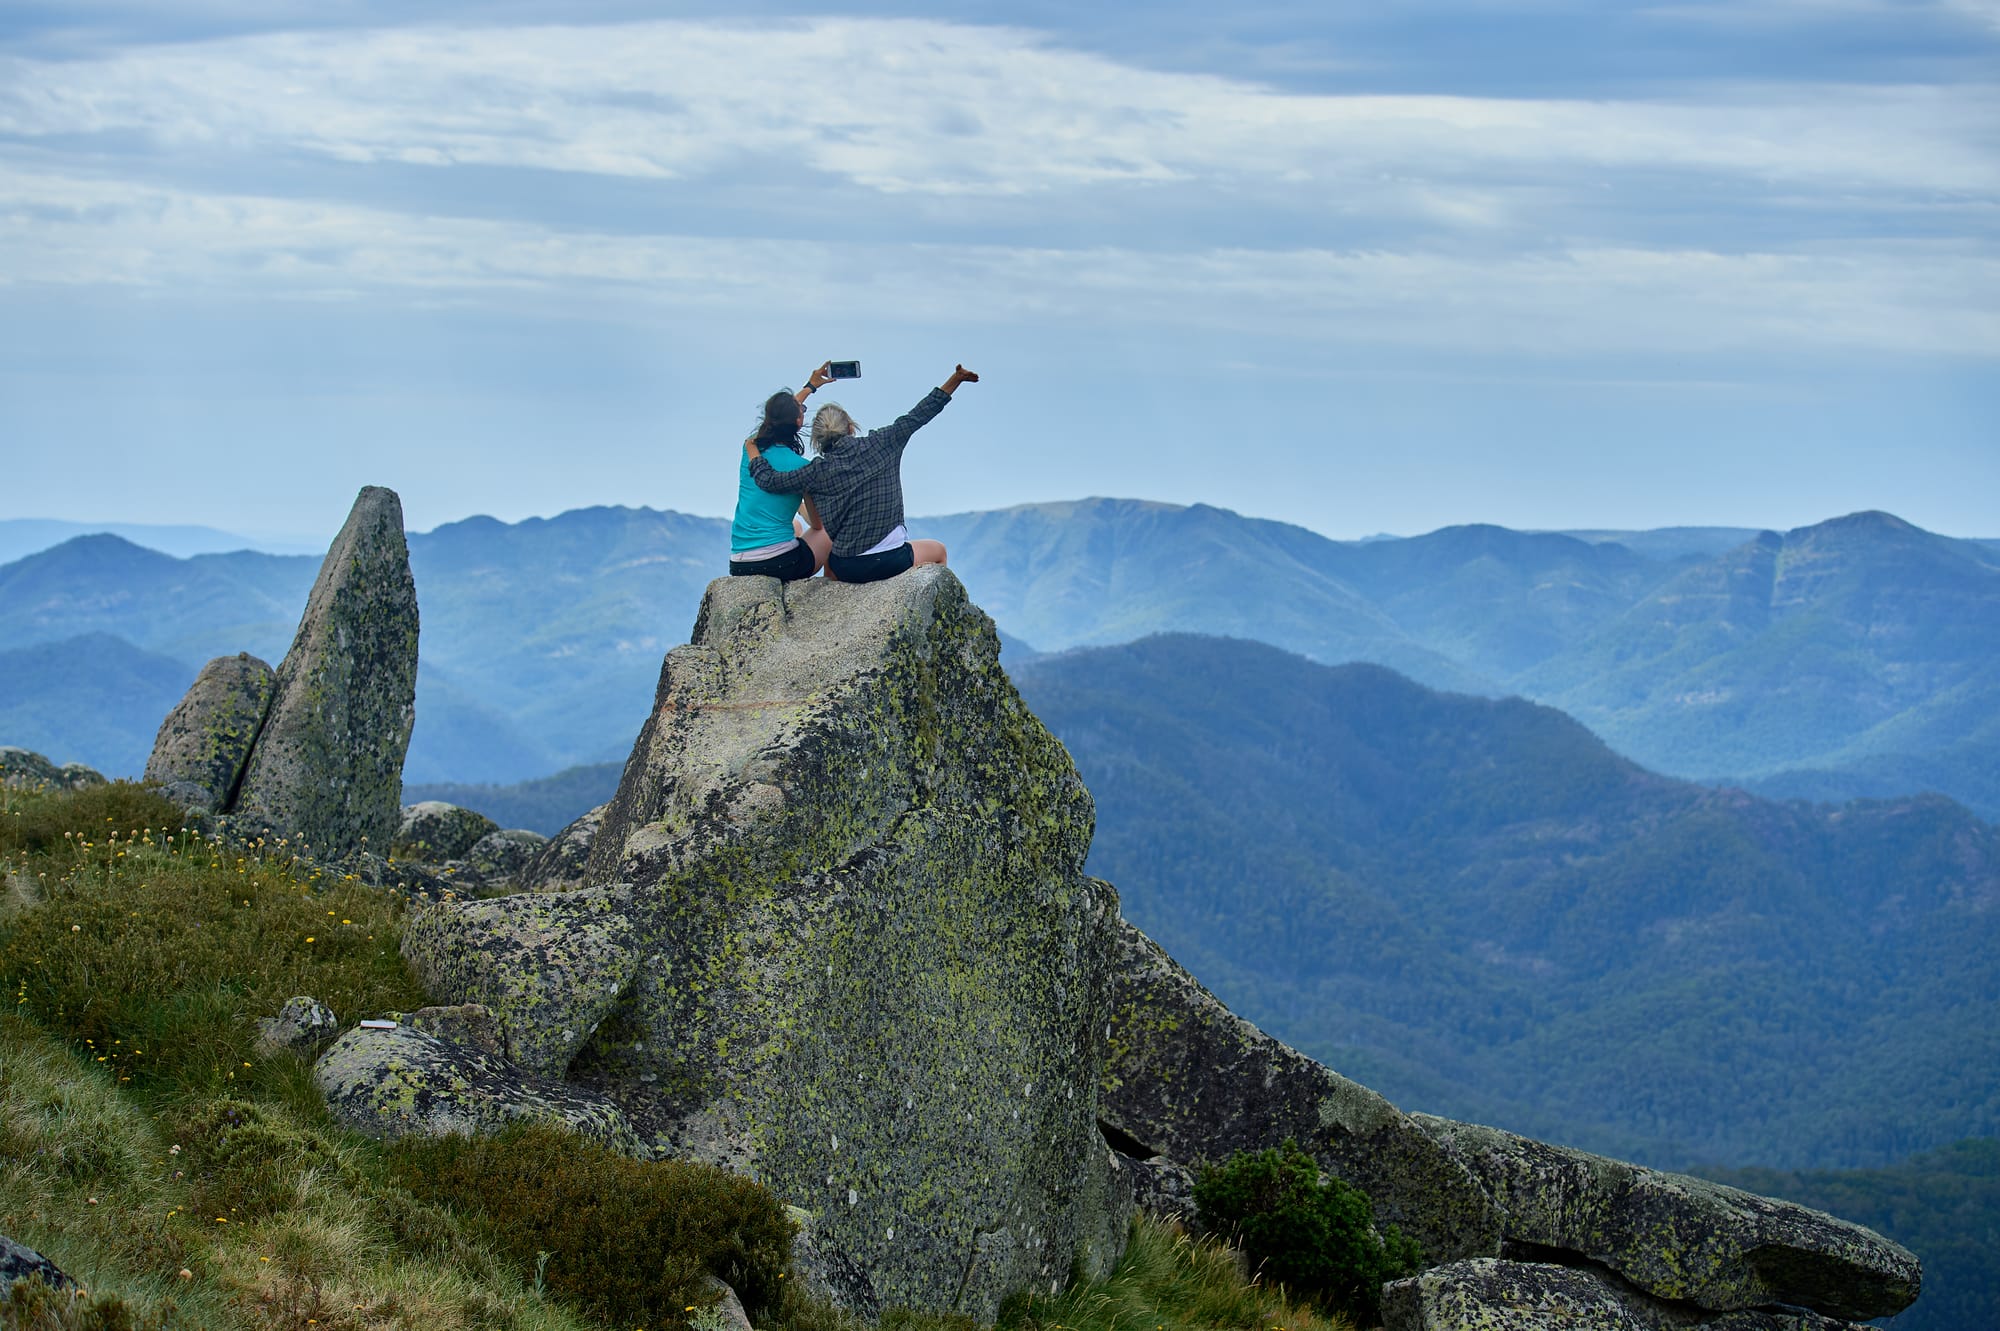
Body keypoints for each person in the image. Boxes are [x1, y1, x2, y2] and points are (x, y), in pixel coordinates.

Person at [744, 364, 978, 583]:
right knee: (939, 551)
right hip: (891, 561)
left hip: (846, 566)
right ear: (851, 428)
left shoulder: (815, 471)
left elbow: (769, 481)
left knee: (830, 550)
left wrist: (753, 451)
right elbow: (920, 414)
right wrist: (955, 380)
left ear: (817, 440)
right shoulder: (884, 443)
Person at [728, 364, 838, 580]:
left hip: (740, 563)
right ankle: (832, 590)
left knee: (796, 526)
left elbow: (780, 416)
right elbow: (817, 525)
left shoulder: (751, 448)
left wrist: (810, 387)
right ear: (799, 422)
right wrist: (798, 505)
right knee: (828, 532)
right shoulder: (803, 467)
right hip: (778, 564)